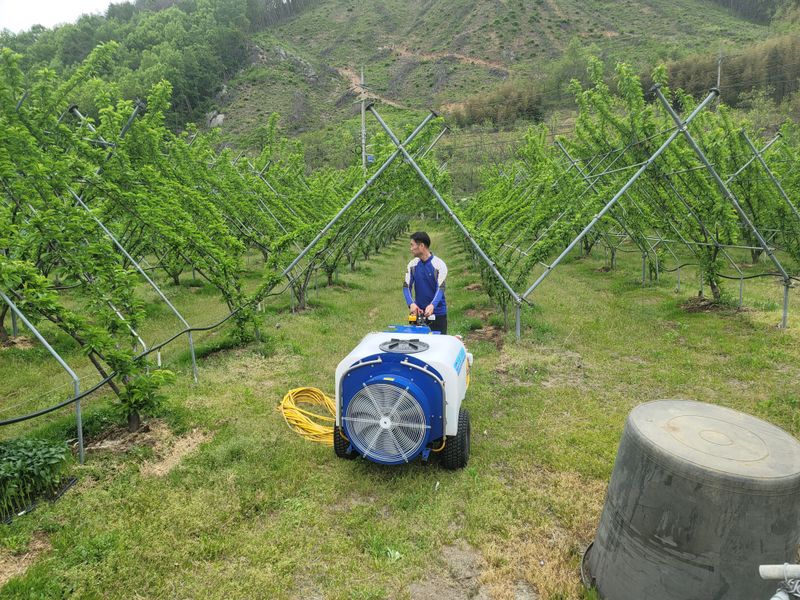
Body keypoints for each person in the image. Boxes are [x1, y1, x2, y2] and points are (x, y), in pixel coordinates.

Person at [403, 231, 448, 334]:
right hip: (418, 313)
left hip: (438, 313)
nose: (411, 249)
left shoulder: (439, 265)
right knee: (416, 345)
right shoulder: (412, 265)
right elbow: (406, 286)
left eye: (412, 245)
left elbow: (440, 288)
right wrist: (411, 304)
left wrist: (432, 305)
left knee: (438, 345)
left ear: (422, 246)